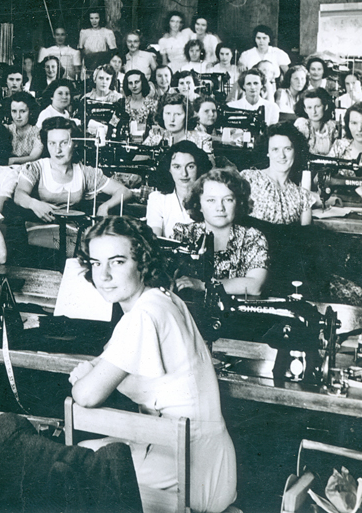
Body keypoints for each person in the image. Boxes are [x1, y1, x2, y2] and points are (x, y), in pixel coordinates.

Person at [68, 217, 237, 513]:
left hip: (188, 467)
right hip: (210, 461)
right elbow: (111, 355)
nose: (103, 275)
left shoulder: (142, 315)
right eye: (96, 263)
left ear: (142, 263)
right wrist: (95, 368)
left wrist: (87, 374)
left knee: (76, 462)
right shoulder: (163, 299)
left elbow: (86, 395)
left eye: (117, 262)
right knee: (89, 456)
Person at [173, 168, 269, 296]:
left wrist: (202, 285)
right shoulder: (184, 234)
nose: (220, 208)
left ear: (238, 203)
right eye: (211, 200)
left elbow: (255, 286)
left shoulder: (253, 237)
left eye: (228, 200)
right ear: (198, 204)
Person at [15, 117, 132, 220]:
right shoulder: (36, 168)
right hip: (38, 229)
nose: (57, 150)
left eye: (64, 143)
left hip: (71, 229)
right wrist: (34, 204)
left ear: (75, 143)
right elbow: (19, 195)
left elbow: (124, 192)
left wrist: (104, 207)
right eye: (52, 143)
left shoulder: (85, 172)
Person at [241, 123, 314, 226]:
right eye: (275, 149)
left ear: (295, 151)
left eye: (287, 149)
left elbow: (305, 237)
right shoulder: (249, 179)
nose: (282, 156)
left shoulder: (302, 196)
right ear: (267, 152)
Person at [145, 140, 211, 238]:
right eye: (177, 167)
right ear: (169, 169)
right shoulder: (157, 199)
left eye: (190, 167)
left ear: (199, 168)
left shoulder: (211, 199)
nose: (184, 173)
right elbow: (154, 238)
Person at [143, 92, 212, 153]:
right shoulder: (154, 137)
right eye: (167, 113)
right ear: (161, 115)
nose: (172, 119)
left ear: (187, 116)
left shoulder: (203, 139)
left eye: (178, 114)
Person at [294, 88, 339, 156]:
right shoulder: (302, 124)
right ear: (305, 110)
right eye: (309, 107)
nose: (314, 111)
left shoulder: (330, 127)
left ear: (325, 107)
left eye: (317, 106)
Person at [6, 92, 43, 165]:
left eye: (22, 111)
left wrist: (12, 160)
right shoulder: (7, 129)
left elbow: (34, 157)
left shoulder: (37, 133)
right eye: (14, 111)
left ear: (31, 112)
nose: (18, 116)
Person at [122, 69, 158, 141]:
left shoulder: (152, 104)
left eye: (137, 82)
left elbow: (156, 129)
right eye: (130, 83)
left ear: (142, 82)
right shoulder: (121, 103)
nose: (134, 86)